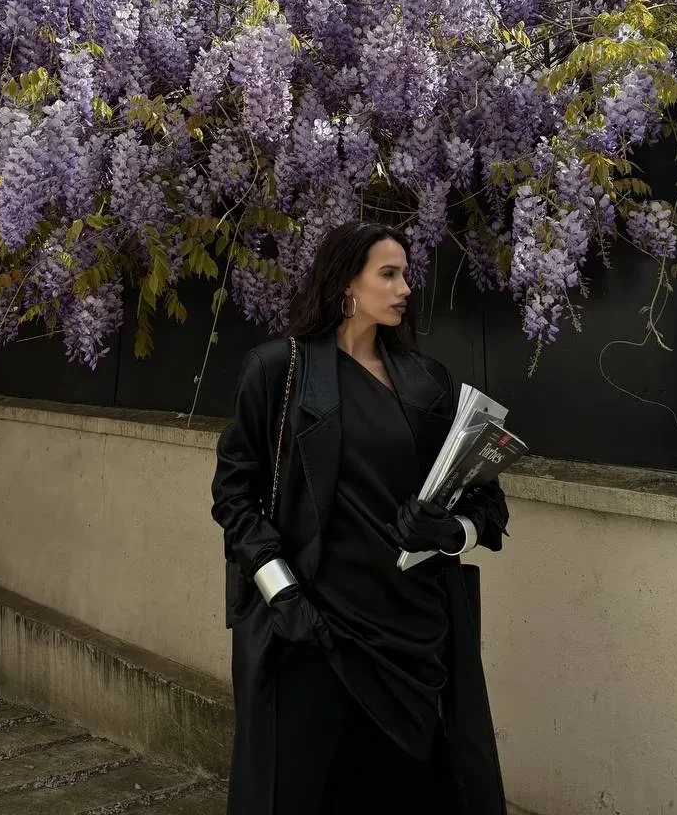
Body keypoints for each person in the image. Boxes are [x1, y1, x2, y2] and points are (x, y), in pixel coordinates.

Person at [211, 221, 510, 815]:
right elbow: (234, 497)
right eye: (388, 274)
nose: (405, 289)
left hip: (412, 632)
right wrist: (282, 593)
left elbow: (487, 502)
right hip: (315, 626)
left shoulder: (427, 381)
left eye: (406, 275)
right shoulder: (277, 371)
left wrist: (452, 532)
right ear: (347, 282)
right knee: (302, 790)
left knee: (406, 794)